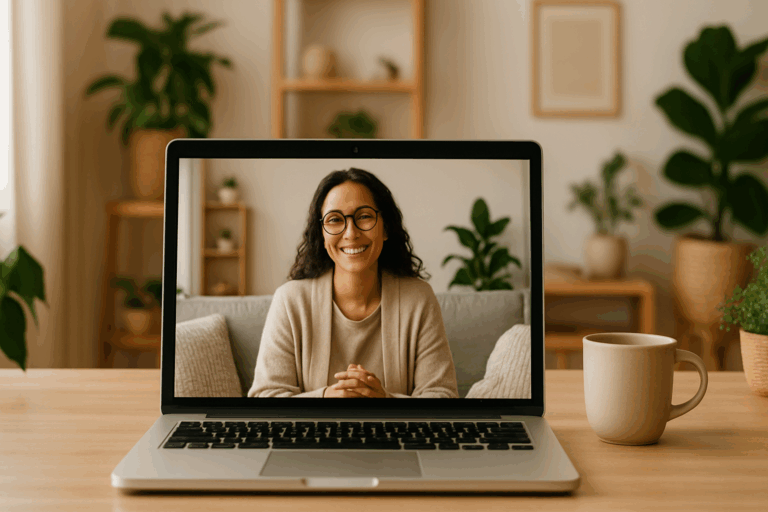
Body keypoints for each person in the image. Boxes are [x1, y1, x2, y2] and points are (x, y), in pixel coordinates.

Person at [248, 168, 459, 398]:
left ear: (386, 227)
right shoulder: (290, 301)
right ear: (322, 233)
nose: (350, 233)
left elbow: (442, 395)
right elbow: (265, 396)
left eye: (364, 216)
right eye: (335, 220)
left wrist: (385, 401)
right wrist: (327, 397)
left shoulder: (419, 299)